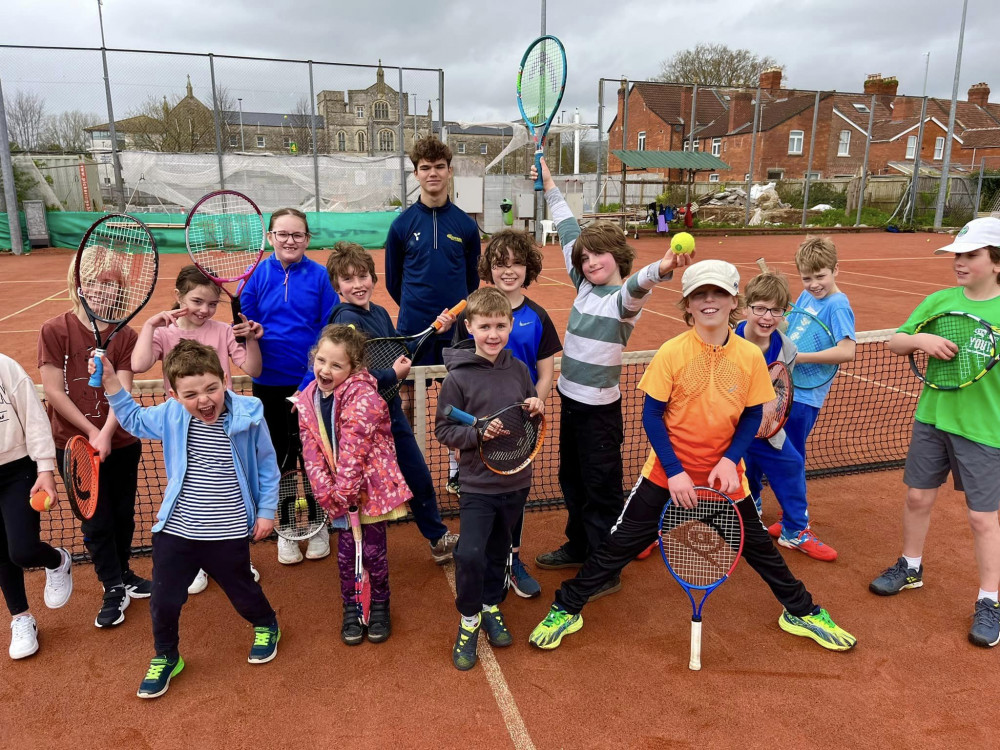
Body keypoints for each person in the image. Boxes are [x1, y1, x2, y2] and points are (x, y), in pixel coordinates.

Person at [528, 260, 857, 653]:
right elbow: (651, 415)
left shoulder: (750, 357)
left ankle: (800, 611)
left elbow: (753, 413)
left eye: (718, 293)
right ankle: (567, 604)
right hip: (667, 477)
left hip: (725, 479)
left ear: (734, 300)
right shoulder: (672, 352)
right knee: (618, 546)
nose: (709, 301)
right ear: (687, 304)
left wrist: (728, 460)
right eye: (700, 294)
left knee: (759, 549)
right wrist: (675, 471)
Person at [531, 157, 690, 603]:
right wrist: (548, 183)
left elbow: (641, 283)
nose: (590, 260)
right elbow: (565, 226)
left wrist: (664, 267)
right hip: (570, 401)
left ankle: (605, 567)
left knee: (600, 489)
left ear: (616, 256)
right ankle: (579, 545)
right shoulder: (582, 284)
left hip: (601, 412)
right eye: (585, 257)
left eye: (598, 254)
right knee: (571, 479)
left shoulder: (622, 300)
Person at [96, 340, 281, 698]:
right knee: (163, 600)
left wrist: (267, 512)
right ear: (174, 394)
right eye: (191, 393)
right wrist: (111, 385)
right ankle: (166, 655)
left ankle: (266, 623)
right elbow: (132, 419)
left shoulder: (250, 413)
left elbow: (267, 466)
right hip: (177, 530)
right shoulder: (170, 414)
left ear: (225, 379)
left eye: (212, 388)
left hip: (228, 531)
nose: (205, 400)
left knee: (242, 590)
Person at [870, 217, 1000, 648]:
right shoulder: (939, 301)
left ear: (996, 262)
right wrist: (921, 342)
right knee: (917, 496)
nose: (959, 263)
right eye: (956, 256)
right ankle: (910, 566)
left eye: (970, 255)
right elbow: (895, 342)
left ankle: (989, 600)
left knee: (983, 519)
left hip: (985, 431)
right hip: (933, 419)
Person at [317, 241, 458, 565]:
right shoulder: (343, 318)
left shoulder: (379, 312)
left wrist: (437, 329)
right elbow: (346, 370)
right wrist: (388, 375)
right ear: (337, 285)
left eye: (363, 276)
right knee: (362, 490)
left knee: (419, 476)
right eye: (348, 279)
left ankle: (437, 539)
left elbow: (401, 350)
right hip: (361, 424)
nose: (358, 284)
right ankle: (358, 553)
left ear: (373, 278)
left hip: (390, 413)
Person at [131, 265, 265, 593]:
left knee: (230, 491)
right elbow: (138, 364)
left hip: (224, 425)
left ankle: (234, 555)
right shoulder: (164, 332)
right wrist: (149, 325)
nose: (205, 310)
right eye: (196, 301)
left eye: (212, 304)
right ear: (178, 295)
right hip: (182, 430)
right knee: (190, 494)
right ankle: (200, 563)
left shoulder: (223, 330)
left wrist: (249, 339)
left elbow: (254, 369)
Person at [38, 258, 149, 629]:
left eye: (112, 284)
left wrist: (106, 433)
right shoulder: (55, 330)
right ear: (79, 284)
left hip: (121, 442)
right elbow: (53, 390)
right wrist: (90, 432)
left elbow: (126, 389)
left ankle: (124, 572)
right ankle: (112, 586)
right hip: (75, 447)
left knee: (123, 515)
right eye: (96, 282)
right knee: (96, 521)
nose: (104, 290)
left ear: (121, 291)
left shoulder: (126, 336)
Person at [435, 288, 542, 671]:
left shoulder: (519, 370)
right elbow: (445, 430)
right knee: (469, 553)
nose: (493, 334)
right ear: (470, 327)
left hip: (516, 479)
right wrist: (477, 434)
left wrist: (535, 406)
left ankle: (490, 604)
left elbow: (528, 415)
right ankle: (469, 619)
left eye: (500, 325)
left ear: (511, 326)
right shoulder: (458, 379)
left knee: (500, 550)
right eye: (485, 326)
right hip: (478, 484)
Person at [452, 229, 562, 598]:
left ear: (527, 267)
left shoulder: (538, 316)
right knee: (483, 502)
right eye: (500, 264)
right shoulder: (475, 310)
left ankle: (513, 561)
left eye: (515, 263)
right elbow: (460, 374)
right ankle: (487, 566)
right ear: (490, 269)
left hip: (521, 426)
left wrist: (533, 406)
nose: (508, 271)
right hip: (480, 430)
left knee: (515, 496)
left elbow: (546, 374)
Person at [290, 324, 412, 645]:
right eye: (321, 361)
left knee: (373, 551)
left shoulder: (364, 397)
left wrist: (343, 491)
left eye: (336, 365)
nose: (325, 370)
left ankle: (381, 605)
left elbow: (354, 448)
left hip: (368, 490)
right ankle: (352, 606)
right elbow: (312, 452)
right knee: (346, 554)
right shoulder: (308, 400)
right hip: (339, 494)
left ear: (354, 368)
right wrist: (326, 495)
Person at [239, 208, 337, 566]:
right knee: (278, 461)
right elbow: (245, 321)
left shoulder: (321, 277)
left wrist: (308, 383)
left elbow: (329, 331)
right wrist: (249, 329)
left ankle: (316, 523)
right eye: (283, 234)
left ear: (307, 239)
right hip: (267, 385)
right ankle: (285, 525)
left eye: (297, 235)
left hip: (313, 385)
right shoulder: (255, 276)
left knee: (315, 457)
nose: (290, 240)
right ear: (270, 237)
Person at [736, 270, 837, 562]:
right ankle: (747, 504)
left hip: (764, 422)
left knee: (791, 462)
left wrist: (767, 423)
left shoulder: (787, 348)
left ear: (784, 312)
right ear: (746, 308)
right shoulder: (729, 340)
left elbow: (779, 390)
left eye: (776, 310)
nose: (767, 317)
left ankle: (794, 530)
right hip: (726, 426)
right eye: (760, 308)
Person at [768, 237, 856, 557]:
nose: (814, 284)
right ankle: (788, 518)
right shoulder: (805, 295)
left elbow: (847, 351)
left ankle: (795, 529)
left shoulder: (838, 305)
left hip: (805, 397)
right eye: (807, 277)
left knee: (791, 460)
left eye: (820, 276)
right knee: (776, 452)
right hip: (783, 388)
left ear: (835, 270)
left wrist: (798, 358)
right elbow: (794, 327)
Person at [0, 352, 73, 659]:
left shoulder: (4, 366)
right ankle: (21, 617)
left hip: (17, 470)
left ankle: (57, 560)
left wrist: (45, 468)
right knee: (1, 552)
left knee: (22, 550)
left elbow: (33, 415)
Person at [385, 135, 480, 368]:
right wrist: (415, 307)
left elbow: (472, 279)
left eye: (439, 167)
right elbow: (393, 281)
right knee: (408, 401)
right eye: (425, 167)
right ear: (416, 173)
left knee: (457, 398)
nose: (433, 173)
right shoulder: (401, 225)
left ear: (450, 171)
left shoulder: (466, 225)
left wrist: (454, 313)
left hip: (456, 329)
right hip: (413, 329)